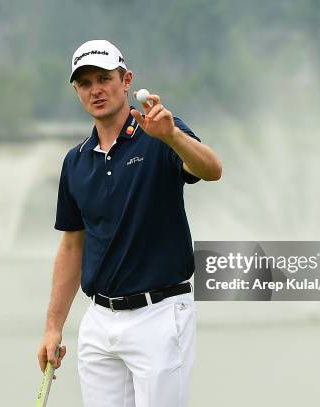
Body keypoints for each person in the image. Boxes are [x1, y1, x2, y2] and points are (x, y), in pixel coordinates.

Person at [37, 39, 222, 407]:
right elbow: (73, 246)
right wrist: (53, 326)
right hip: (99, 322)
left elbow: (211, 169)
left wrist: (172, 136)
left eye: (104, 78)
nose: (96, 90)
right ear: (77, 91)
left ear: (126, 81)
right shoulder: (75, 162)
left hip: (160, 314)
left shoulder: (159, 132)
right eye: (85, 83)